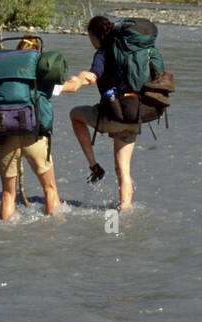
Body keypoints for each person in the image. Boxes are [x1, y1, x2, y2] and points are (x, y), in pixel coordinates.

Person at [64, 15, 155, 210]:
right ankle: (126, 213)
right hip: (134, 114)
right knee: (124, 171)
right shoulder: (132, 50)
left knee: (74, 114)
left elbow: (93, 76)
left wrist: (79, 79)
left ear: (95, 36)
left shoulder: (103, 52)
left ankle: (94, 166)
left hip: (110, 115)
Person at [0, 37, 62, 221]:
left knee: (8, 194)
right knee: (50, 189)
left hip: (6, 135)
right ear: (38, 51)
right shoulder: (40, 70)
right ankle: (53, 234)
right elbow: (57, 89)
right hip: (35, 136)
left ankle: (5, 235)